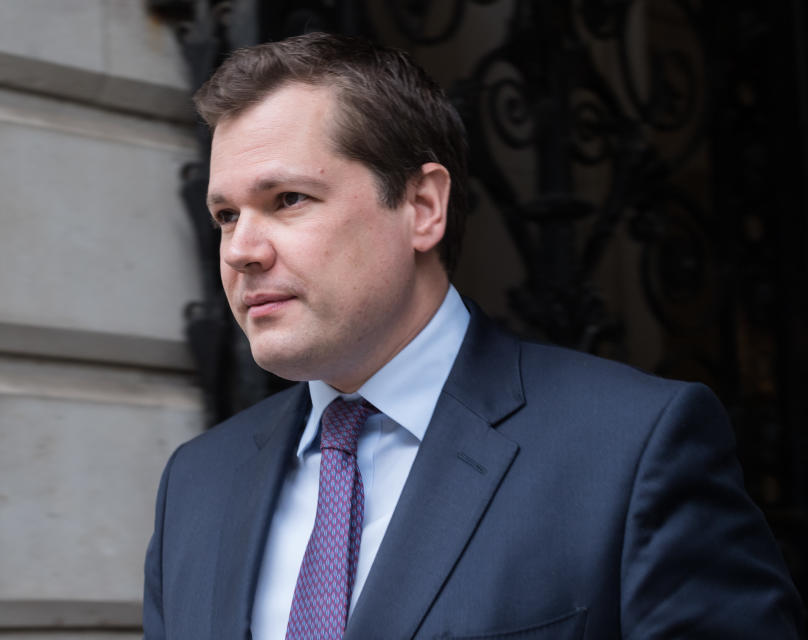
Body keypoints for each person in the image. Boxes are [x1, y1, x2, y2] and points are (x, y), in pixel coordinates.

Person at [142, 32, 804, 639]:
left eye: (287, 199)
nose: (241, 251)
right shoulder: (197, 484)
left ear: (423, 207)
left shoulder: (633, 449)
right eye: (226, 215)